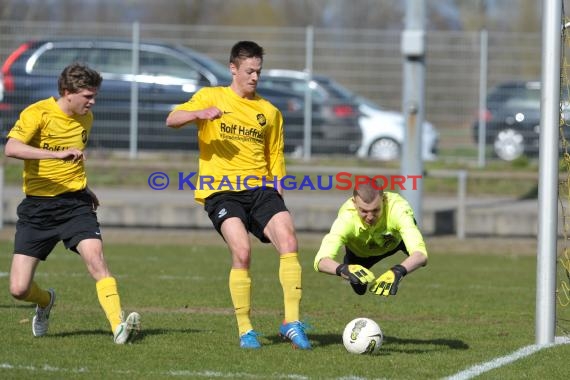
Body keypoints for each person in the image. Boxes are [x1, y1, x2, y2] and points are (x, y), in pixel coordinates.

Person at [165, 41, 311, 350]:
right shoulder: (211, 96)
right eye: (249, 71)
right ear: (233, 68)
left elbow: (276, 157)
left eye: (258, 71)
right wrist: (199, 114)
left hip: (260, 190)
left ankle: (291, 322)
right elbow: (172, 119)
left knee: (289, 241)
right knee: (242, 252)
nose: (255, 77)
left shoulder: (269, 112)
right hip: (221, 193)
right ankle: (246, 330)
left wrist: (278, 193)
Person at [5, 62, 141, 344]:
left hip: (75, 205)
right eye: (87, 96)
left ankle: (118, 326)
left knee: (96, 258)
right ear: (67, 92)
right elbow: (11, 148)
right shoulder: (37, 113)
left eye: (94, 96)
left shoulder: (85, 118)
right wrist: (55, 155)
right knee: (18, 289)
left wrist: (85, 188)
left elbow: (73, 161)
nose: (92, 102)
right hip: (37, 209)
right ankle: (45, 301)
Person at [313, 177, 428, 296]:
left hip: (396, 242)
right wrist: (343, 269)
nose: (370, 217)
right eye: (364, 211)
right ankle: (350, 262)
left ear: (384, 200)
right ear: (354, 203)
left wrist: (398, 271)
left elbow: (421, 255)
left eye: (375, 210)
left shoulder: (398, 209)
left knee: (418, 262)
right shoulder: (346, 219)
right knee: (359, 290)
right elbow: (320, 261)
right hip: (361, 253)